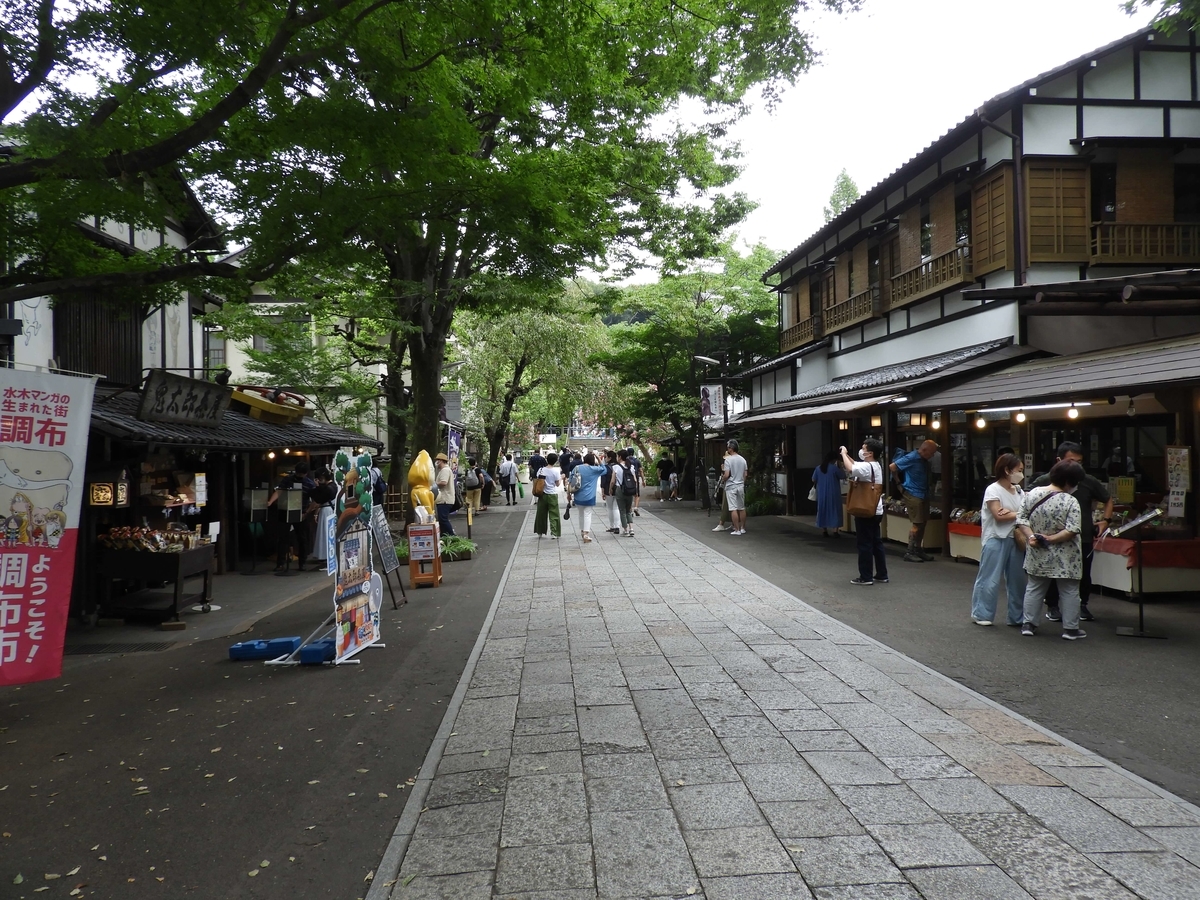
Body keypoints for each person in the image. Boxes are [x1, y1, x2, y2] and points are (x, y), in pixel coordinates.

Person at [1032, 441, 1113, 623]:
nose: (1076, 465)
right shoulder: (1044, 481)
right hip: (1052, 537)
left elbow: (1108, 499)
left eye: (1079, 462)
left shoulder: (1088, 481)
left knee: (1083, 574)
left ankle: (1082, 605)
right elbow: (1027, 501)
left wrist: (1105, 521)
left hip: (1082, 536)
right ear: (1059, 460)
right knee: (1051, 574)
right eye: (1071, 461)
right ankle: (1052, 606)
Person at [1017, 460, 1086, 640]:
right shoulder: (1070, 501)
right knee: (1069, 590)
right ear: (1069, 482)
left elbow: (1021, 519)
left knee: (1034, 587)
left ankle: (1028, 624)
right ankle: (1070, 629)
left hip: (1037, 551)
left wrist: (1032, 536)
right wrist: (1052, 539)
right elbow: (1072, 529)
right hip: (1067, 556)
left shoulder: (1032, 494)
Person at [969, 453, 1027, 626]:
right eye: (1019, 470)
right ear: (1007, 470)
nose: (1021, 474)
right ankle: (982, 614)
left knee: (1017, 581)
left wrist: (1010, 514)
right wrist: (1017, 514)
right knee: (989, 578)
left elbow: (1014, 513)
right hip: (996, 538)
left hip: (1015, 539)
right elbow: (998, 514)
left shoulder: (1018, 490)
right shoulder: (993, 489)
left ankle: (1017, 617)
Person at [841, 438, 888, 585]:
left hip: (865, 509)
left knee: (864, 543)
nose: (861, 450)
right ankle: (881, 574)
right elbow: (854, 463)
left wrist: (842, 454)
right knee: (876, 542)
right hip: (876, 509)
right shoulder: (875, 465)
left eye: (864, 448)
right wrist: (846, 454)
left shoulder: (868, 467)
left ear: (870, 453)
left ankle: (865, 576)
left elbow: (851, 468)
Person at [889, 439, 940, 563]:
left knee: (923, 522)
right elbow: (893, 466)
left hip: (923, 493)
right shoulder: (912, 457)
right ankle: (910, 551)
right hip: (913, 493)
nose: (932, 456)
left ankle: (918, 549)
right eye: (931, 453)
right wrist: (899, 484)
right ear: (924, 450)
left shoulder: (923, 460)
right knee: (917, 523)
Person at [571, 452, 608, 542]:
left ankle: (582, 531)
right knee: (587, 514)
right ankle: (586, 534)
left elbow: (571, 480)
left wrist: (569, 494)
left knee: (581, 514)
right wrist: (598, 458)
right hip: (589, 496)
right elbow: (604, 469)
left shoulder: (577, 468)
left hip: (578, 495)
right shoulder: (594, 469)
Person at [812, 451, 846, 537]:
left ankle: (824, 530)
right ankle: (835, 531)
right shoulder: (834, 469)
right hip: (834, 492)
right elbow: (843, 476)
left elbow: (813, 479)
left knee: (823, 509)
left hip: (822, 492)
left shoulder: (818, 468)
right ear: (834, 460)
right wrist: (840, 466)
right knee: (835, 510)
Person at [717, 439, 748, 535]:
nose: (727, 449)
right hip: (740, 485)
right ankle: (743, 528)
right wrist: (742, 482)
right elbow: (745, 474)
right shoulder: (743, 459)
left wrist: (723, 479)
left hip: (731, 486)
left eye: (728, 447)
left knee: (733, 508)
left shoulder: (728, 460)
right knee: (741, 507)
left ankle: (737, 530)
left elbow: (726, 474)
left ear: (731, 448)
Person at [533, 451, 562, 539]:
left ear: (547, 460)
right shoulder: (555, 471)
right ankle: (554, 532)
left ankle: (540, 532)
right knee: (554, 514)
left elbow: (538, 480)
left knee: (541, 514)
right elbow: (557, 484)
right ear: (556, 461)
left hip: (542, 494)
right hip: (552, 495)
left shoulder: (541, 470)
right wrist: (562, 478)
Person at [610, 449, 637, 536]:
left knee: (622, 510)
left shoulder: (616, 467)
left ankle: (625, 530)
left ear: (620, 457)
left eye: (618, 456)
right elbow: (635, 480)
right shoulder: (631, 467)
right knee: (628, 510)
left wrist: (610, 489)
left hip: (620, 490)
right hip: (630, 490)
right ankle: (631, 528)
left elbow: (613, 481)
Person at [433, 452, 457, 537]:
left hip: (445, 499)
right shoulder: (444, 470)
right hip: (444, 499)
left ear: (441, 461)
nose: (436, 462)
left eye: (437, 460)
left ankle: (452, 535)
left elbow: (443, 482)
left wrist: (434, 486)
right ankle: (445, 536)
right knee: (442, 519)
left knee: (443, 519)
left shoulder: (445, 470)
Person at [627, 448, 644, 516]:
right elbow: (641, 470)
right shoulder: (637, 461)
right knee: (636, 494)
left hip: (627, 480)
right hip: (635, 479)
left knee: (629, 495)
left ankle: (630, 509)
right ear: (633, 453)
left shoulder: (625, 461)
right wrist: (643, 480)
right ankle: (636, 507)